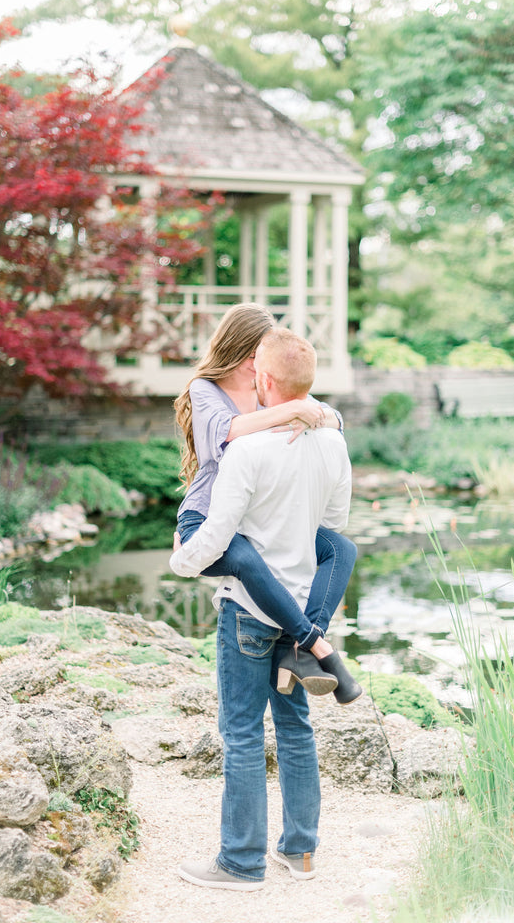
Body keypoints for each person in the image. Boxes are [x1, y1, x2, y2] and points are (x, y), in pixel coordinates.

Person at [170, 328, 356, 889]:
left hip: (250, 610)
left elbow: (221, 535)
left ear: (264, 380)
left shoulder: (247, 450)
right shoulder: (332, 441)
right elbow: (336, 525)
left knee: (244, 734)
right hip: (301, 602)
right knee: (295, 729)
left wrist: (182, 562)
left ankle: (241, 862)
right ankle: (299, 854)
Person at [173, 302, 359, 700]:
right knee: (244, 559)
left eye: (262, 357)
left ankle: (300, 645)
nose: (258, 365)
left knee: (340, 548)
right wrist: (291, 410)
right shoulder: (205, 389)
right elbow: (228, 432)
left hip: (257, 514)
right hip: (208, 514)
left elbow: (334, 417)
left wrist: (314, 413)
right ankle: (316, 644)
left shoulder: (266, 385)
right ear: (236, 349)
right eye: (253, 354)